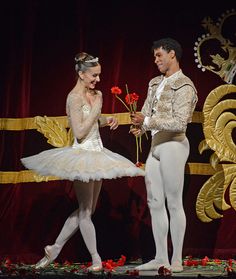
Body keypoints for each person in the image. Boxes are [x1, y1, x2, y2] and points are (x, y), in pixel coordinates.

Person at [21, 52, 144, 271]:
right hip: (82, 156)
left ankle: (55, 248)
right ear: (81, 74)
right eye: (94, 75)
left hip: (97, 154)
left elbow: (94, 122)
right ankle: (96, 258)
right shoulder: (74, 98)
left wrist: (107, 120)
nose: (98, 80)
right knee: (86, 211)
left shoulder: (95, 94)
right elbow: (78, 132)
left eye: (99, 75)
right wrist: (97, 109)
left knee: (88, 209)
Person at [130, 38, 198, 273]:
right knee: (155, 202)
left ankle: (176, 258)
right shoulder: (154, 82)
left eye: (159, 55)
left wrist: (147, 121)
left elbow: (179, 122)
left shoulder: (185, 85)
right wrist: (141, 125)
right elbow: (147, 111)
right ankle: (161, 257)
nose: (156, 60)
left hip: (174, 145)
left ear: (172, 54)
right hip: (156, 146)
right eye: (155, 56)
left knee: (173, 201)